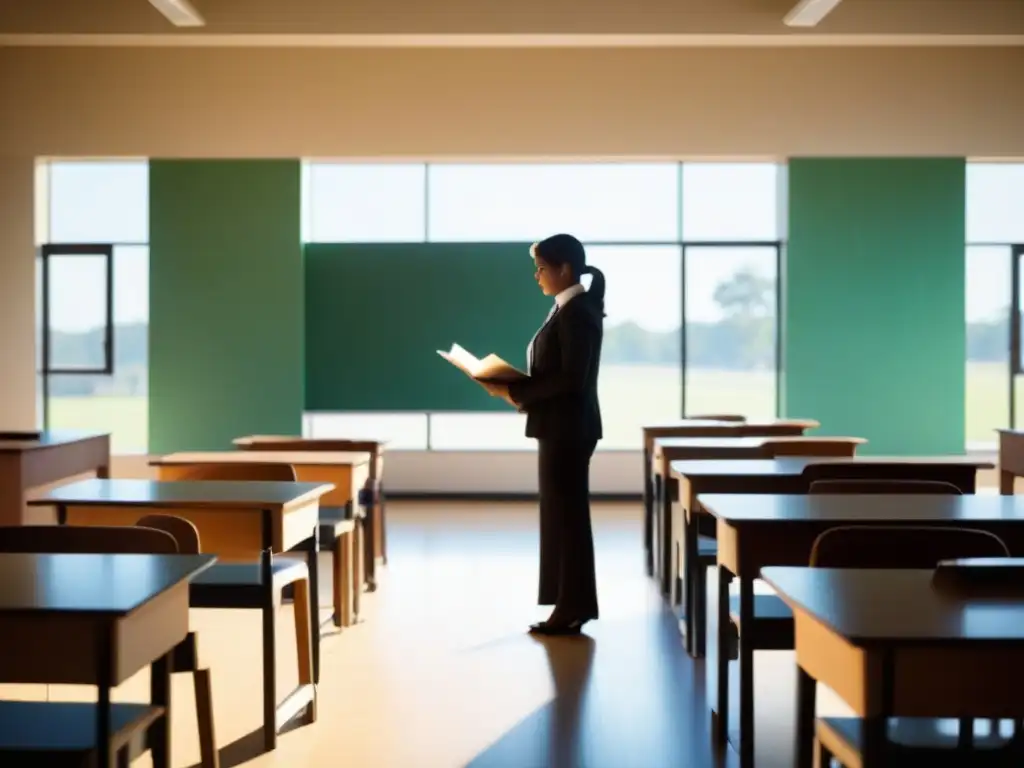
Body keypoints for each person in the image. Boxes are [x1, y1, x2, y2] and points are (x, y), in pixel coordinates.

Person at [483, 233, 605, 636]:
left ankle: (571, 609)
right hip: (559, 427)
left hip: (569, 430)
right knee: (561, 517)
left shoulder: (578, 313)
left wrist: (516, 390)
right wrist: (517, 390)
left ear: (564, 269)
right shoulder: (564, 310)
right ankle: (570, 606)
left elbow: (572, 379)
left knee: (567, 519)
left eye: (541, 268)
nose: (536, 276)